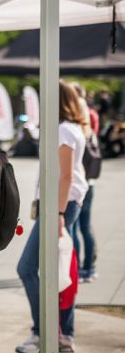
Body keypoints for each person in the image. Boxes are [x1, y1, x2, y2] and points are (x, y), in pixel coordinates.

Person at [16, 81, 89, 353]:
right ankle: (59, 332)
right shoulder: (68, 129)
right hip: (62, 204)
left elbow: (67, 175)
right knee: (59, 270)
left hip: (62, 205)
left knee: (28, 268)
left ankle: (44, 332)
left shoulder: (63, 130)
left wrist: (57, 213)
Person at [72, 83, 99, 283]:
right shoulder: (90, 131)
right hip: (90, 183)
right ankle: (89, 268)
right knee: (86, 226)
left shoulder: (73, 132)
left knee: (73, 228)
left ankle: (78, 269)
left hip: (77, 184)